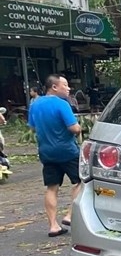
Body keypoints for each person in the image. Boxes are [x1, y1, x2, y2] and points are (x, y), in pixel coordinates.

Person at [27, 75, 82, 237]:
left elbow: (34, 128)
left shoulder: (35, 105)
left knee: (52, 187)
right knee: (80, 182)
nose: (68, 88)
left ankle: (53, 226)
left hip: (46, 153)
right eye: (65, 85)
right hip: (68, 152)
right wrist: (79, 127)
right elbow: (74, 129)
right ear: (54, 87)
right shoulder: (62, 104)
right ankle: (70, 215)